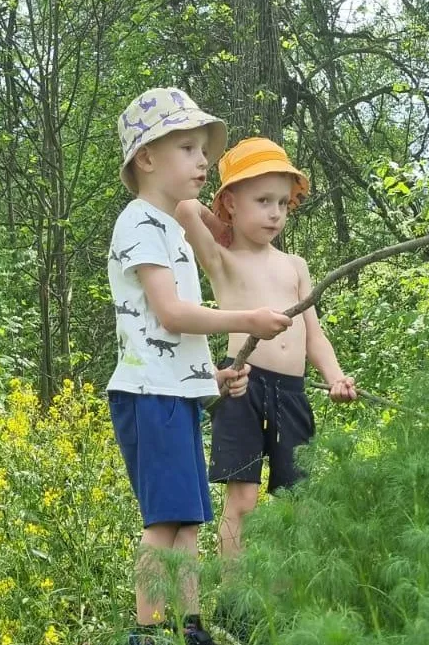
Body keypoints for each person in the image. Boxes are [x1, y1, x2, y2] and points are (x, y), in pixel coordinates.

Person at [107, 89, 293, 645]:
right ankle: (148, 631)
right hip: (147, 396)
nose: (202, 161)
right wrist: (247, 319)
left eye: (202, 150)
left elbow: (163, 333)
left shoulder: (172, 231)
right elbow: (171, 313)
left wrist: (210, 377)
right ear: (146, 158)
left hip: (174, 393)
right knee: (162, 524)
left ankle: (190, 627)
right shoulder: (139, 222)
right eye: (187, 148)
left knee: (187, 521)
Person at [174, 136, 357, 637]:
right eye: (261, 201)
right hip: (243, 382)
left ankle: (286, 595)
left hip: (292, 392)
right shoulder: (223, 257)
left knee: (296, 497)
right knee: (244, 497)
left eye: (282, 202)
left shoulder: (294, 266)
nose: (275, 213)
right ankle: (236, 598)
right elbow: (183, 203)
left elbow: (313, 335)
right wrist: (224, 222)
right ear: (232, 202)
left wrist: (335, 376)